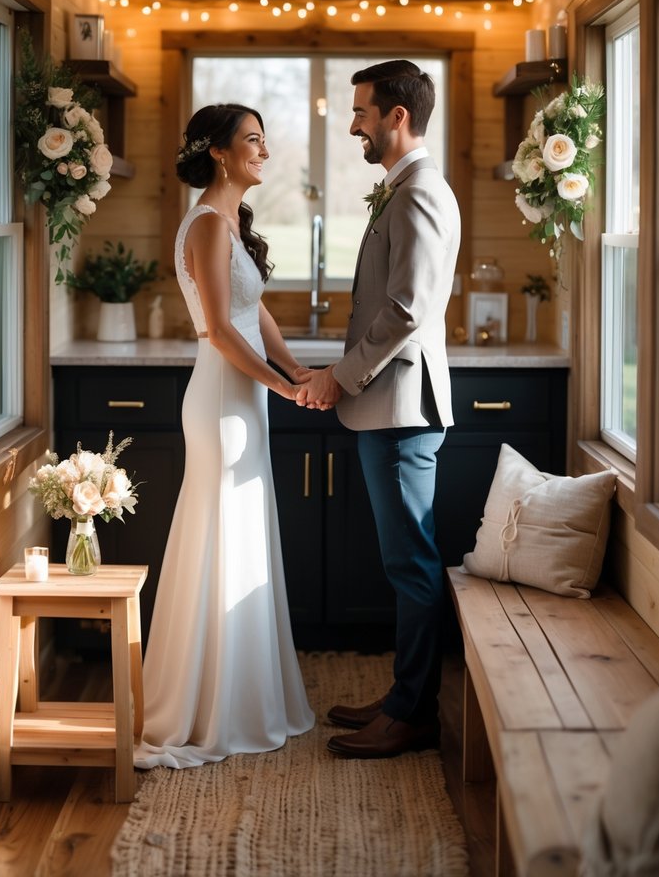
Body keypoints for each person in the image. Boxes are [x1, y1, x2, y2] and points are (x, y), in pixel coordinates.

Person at [134, 103, 315, 769]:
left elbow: (253, 307)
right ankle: (206, 707)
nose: (263, 152)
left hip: (243, 397)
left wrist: (293, 367)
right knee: (221, 532)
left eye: (264, 142)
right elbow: (216, 327)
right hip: (219, 399)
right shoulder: (208, 223)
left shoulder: (231, 222)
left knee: (241, 534)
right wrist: (284, 386)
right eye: (252, 141)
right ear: (217, 151)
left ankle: (242, 695)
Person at [297, 60, 461, 759]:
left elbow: (404, 308)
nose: (354, 123)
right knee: (406, 564)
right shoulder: (403, 189)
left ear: (398, 117)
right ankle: (403, 697)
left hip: (398, 405)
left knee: (411, 565)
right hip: (390, 404)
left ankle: (412, 713)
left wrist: (342, 374)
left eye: (362, 111)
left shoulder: (420, 191)